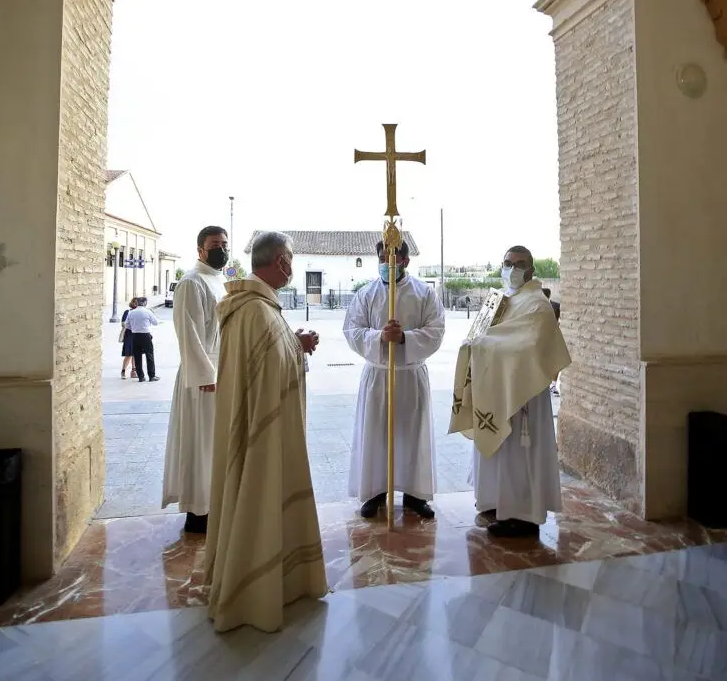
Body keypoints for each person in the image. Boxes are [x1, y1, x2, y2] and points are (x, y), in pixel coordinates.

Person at [205, 231, 326, 633]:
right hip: (262, 428)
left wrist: (295, 344)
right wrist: (297, 347)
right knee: (258, 490)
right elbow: (272, 370)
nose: (291, 266)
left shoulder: (256, 307)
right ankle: (252, 586)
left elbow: (269, 360)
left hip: (259, 419)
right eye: (290, 259)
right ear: (281, 262)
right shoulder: (256, 311)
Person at [450, 245, 571, 538]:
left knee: (519, 455)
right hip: (496, 387)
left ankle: (524, 515)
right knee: (500, 452)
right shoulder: (500, 299)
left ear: (531, 270)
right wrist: (475, 343)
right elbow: (485, 333)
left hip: (522, 393)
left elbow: (528, 344)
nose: (513, 268)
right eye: (508, 263)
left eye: (519, 264)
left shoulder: (536, 303)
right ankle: (494, 501)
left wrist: (483, 345)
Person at [344, 240, 445, 520]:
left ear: (405, 261)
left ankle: (415, 495)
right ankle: (375, 493)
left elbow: (436, 330)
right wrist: (378, 337)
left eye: (393, 257)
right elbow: (351, 329)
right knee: (375, 434)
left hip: (410, 374)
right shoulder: (366, 293)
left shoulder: (424, 293)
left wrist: (404, 338)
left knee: (413, 435)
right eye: (382, 257)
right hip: (378, 374)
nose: (387, 263)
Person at [162, 225, 229, 534]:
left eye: (224, 244)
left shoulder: (221, 281)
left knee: (216, 445)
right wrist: (205, 374)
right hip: (202, 378)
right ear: (200, 250)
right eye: (215, 244)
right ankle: (197, 513)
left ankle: (215, 503)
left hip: (221, 373)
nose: (221, 249)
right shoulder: (191, 283)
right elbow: (188, 332)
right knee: (200, 443)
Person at [125, 296, 161, 382]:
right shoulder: (148, 312)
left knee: (137, 356)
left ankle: (141, 377)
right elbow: (156, 322)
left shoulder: (131, 312)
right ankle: (151, 376)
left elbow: (127, 325)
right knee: (149, 355)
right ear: (145, 303)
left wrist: (134, 328)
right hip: (145, 335)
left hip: (135, 335)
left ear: (137, 303)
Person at [120, 297, 138, 379]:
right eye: (134, 302)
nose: (135, 304)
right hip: (129, 335)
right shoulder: (127, 312)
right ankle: (123, 371)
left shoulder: (139, 312)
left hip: (136, 334)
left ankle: (133, 372)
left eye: (137, 303)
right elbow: (123, 323)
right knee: (128, 354)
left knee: (135, 354)